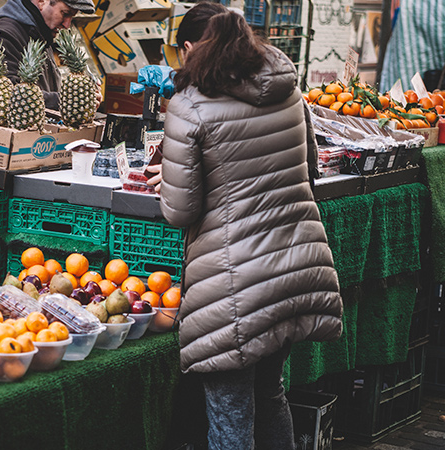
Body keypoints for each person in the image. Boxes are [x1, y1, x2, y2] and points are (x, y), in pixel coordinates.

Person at [146, 3, 343, 449]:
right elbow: (310, 168)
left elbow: (180, 211)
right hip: (296, 268)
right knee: (270, 392)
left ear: (192, 48)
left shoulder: (190, 107)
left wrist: (175, 177)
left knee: (230, 414)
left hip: (235, 284)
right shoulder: (289, 91)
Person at [0, 0, 95, 111]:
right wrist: (69, 101)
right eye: (65, 14)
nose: (67, 25)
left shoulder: (41, 35)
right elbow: (10, 97)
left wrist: (81, 97)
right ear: (42, 1)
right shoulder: (3, 36)